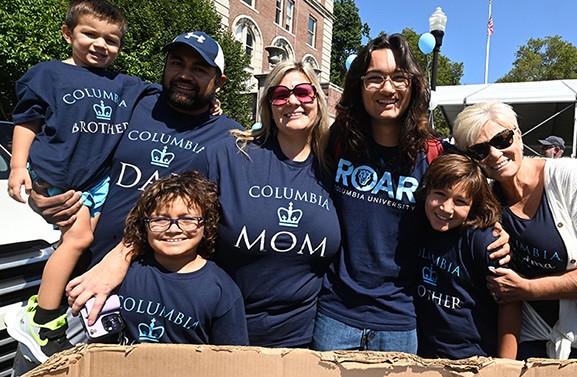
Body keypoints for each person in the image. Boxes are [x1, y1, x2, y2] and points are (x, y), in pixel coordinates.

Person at [20, 30, 241, 367]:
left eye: (199, 69)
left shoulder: (229, 139)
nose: (184, 74)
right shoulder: (135, 103)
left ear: (219, 82)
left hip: (150, 295)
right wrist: (41, 188)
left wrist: (121, 256)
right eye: (177, 63)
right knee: (38, 366)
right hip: (79, 273)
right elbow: (69, 136)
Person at [312, 33, 510, 354]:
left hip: (400, 320)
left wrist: (497, 227)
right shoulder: (337, 142)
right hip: (336, 315)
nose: (387, 89)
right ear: (359, 87)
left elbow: (475, 194)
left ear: (413, 85)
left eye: (398, 78)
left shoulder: (435, 154)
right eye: (375, 78)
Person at [5, 0, 157, 363]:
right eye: (90, 34)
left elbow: (166, 93)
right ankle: (42, 320)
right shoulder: (49, 74)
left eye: (111, 39)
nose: (100, 45)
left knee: (91, 239)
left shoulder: (124, 84)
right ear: (67, 33)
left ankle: (48, 301)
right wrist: (17, 167)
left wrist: (213, 100)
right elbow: (28, 122)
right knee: (79, 238)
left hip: (99, 178)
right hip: (59, 172)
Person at [452, 100, 577, 361]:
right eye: (479, 150)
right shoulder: (486, 199)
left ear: (518, 135)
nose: (494, 154)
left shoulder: (570, 176)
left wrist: (530, 289)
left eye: (501, 139)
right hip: (536, 340)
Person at [191, 61, 341, 347]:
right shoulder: (230, 155)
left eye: (303, 92)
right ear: (269, 104)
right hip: (223, 332)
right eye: (281, 94)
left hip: (301, 342)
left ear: (318, 101)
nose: (293, 101)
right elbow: (170, 214)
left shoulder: (333, 172)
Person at [116, 171, 248, 345]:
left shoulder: (221, 290)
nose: (173, 229)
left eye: (187, 219)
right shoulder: (124, 272)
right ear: (145, 225)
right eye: (160, 219)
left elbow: (232, 358)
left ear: (206, 225)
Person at [414, 154, 520, 360]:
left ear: (474, 206)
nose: (446, 208)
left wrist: (505, 366)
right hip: (421, 355)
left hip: (471, 359)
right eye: (439, 194)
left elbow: (510, 302)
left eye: (460, 201)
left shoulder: (484, 242)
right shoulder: (417, 225)